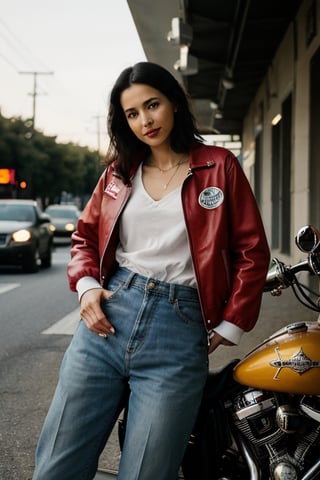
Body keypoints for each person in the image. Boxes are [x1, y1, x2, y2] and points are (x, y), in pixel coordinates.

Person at [33, 61, 270, 480]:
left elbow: (251, 249)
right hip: (106, 322)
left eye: (152, 105)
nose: (145, 120)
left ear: (175, 103)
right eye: (132, 113)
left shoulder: (219, 166)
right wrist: (87, 287)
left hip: (178, 331)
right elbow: (84, 237)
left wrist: (232, 322)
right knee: (57, 466)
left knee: (147, 472)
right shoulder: (119, 173)